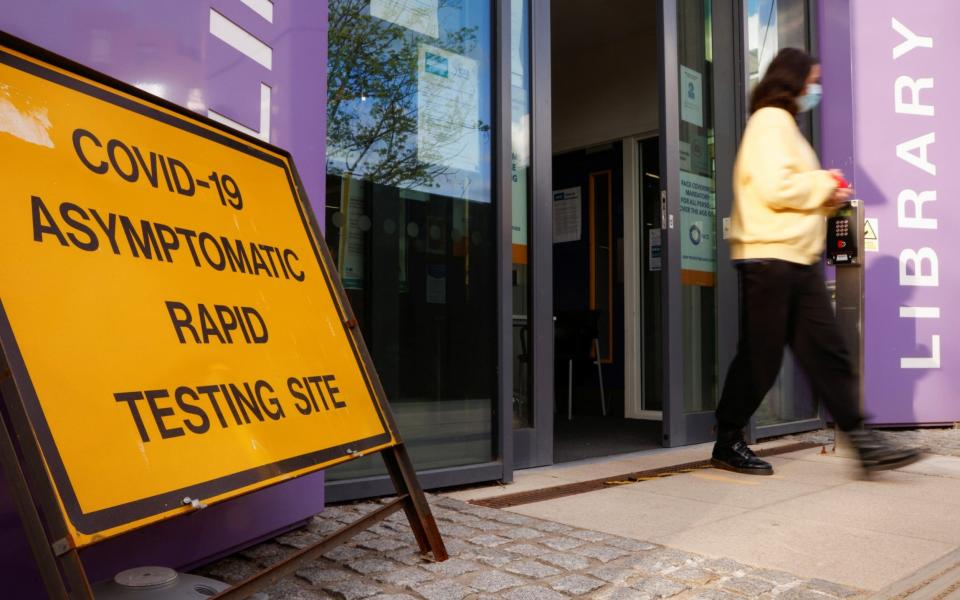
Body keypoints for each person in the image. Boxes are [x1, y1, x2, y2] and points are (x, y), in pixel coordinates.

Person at [711, 48, 921, 476]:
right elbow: (774, 187)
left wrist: (826, 199)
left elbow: (788, 191)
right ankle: (727, 440)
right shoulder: (770, 121)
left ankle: (863, 442)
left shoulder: (785, 126)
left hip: (796, 259)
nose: (816, 89)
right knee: (761, 357)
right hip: (769, 257)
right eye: (813, 81)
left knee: (827, 351)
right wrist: (824, 182)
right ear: (795, 80)